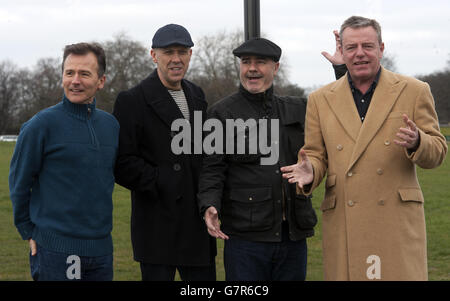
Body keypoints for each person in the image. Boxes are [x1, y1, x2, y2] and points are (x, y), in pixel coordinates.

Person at [281, 16, 447, 280]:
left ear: (381, 48)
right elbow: (316, 153)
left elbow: (437, 150)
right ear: (343, 52)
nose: (360, 54)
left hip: (395, 221)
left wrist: (418, 142)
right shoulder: (320, 99)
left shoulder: (414, 90)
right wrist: (311, 169)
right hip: (346, 221)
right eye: (352, 47)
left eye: (368, 46)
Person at [197, 38, 318, 281]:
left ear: (276, 67)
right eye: (246, 62)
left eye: (260, 62)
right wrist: (209, 204)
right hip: (245, 241)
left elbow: (339, 110)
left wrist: (341, 70)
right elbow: (212, 169)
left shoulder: (298, 108)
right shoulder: (222, 113)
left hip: (293, 237)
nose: (252, 68)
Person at [112, 24, 216, 281]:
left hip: (196, 224)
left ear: (191, 55)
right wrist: (163, 179)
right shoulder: (132, 99)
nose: (176, 59)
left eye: (182, 51)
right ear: (153, 55)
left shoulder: (197, 95)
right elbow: (121, 163)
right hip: (157, 225)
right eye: (168, 52)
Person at [9, 42, 119, 281]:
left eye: (84, 73)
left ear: (101, 81)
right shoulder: (41, 125)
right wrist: (28, 230)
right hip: (55, 251)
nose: (75, 80)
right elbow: (19, 184)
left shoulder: (111, 126)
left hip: (102, 252)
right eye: (69, 73)